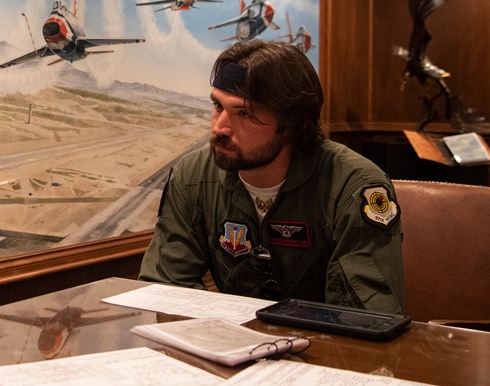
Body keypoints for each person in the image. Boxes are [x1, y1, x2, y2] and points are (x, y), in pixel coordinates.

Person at [139, 39, 404, 313]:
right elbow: (164, 290)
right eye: (218, 106)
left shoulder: (353, 186)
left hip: (324, 349)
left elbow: (367, 318)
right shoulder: (192, 177)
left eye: (243, 113)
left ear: (290, 126)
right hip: (232, 347)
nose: (219, 128)